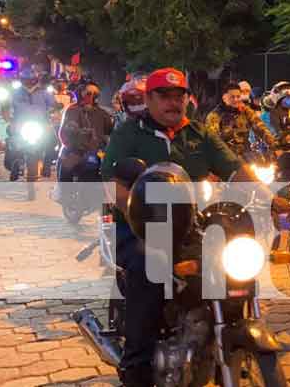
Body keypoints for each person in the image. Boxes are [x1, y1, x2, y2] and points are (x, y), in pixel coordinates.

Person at [101, 68, 257, 387]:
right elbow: (111, 183)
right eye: (164, 96)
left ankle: (225, 332)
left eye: (178, 96)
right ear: (148, 99)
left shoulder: (198, 133)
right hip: (140, 228)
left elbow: (235, 169)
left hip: (194, 227)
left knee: (236, 265)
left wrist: (272, 197)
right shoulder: (129, 133)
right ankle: (136, 367)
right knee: (149, 269)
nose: (173, 103)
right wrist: (134, 210)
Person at [57, 81, 113, 191]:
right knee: (65, 166)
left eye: (94, 94)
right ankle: (64, 195)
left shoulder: (103, 113)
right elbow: (65, 131)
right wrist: (73, 144)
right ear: (81, 93)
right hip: (75, 149)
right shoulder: (71, 110)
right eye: (88, 93)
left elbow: (109, 131)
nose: (91, 96)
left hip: (96, 152)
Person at [205, 82, 275, 157]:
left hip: (246, 155)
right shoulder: (214, 116)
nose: (236, 100)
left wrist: (273, 144)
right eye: (232, 97)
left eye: (238, 97)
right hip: (225, 157)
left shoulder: (245, 111)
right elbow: (213, 141)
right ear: (224, 98)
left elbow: (260, 127)